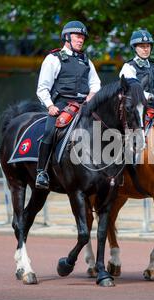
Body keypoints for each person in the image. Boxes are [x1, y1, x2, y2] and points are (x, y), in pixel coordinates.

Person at [35, 20, 101, 189]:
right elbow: (42, 88)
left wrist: (91, 96)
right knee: (50, 131)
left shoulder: (86, 60)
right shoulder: (53, 58)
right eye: (77, 36)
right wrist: (50, 106)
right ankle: (41, 172)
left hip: (84, 105)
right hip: (61, 105)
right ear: (67, 37)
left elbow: (95, 84)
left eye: (82, 38)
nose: (81, 40)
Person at [119, 29, 154, 127]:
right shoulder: (128, 67)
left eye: (148, 46)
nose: (146, 49)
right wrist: (150, 96)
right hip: (139, 109)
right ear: (134, 48)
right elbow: (132, 89)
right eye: (142, 46)